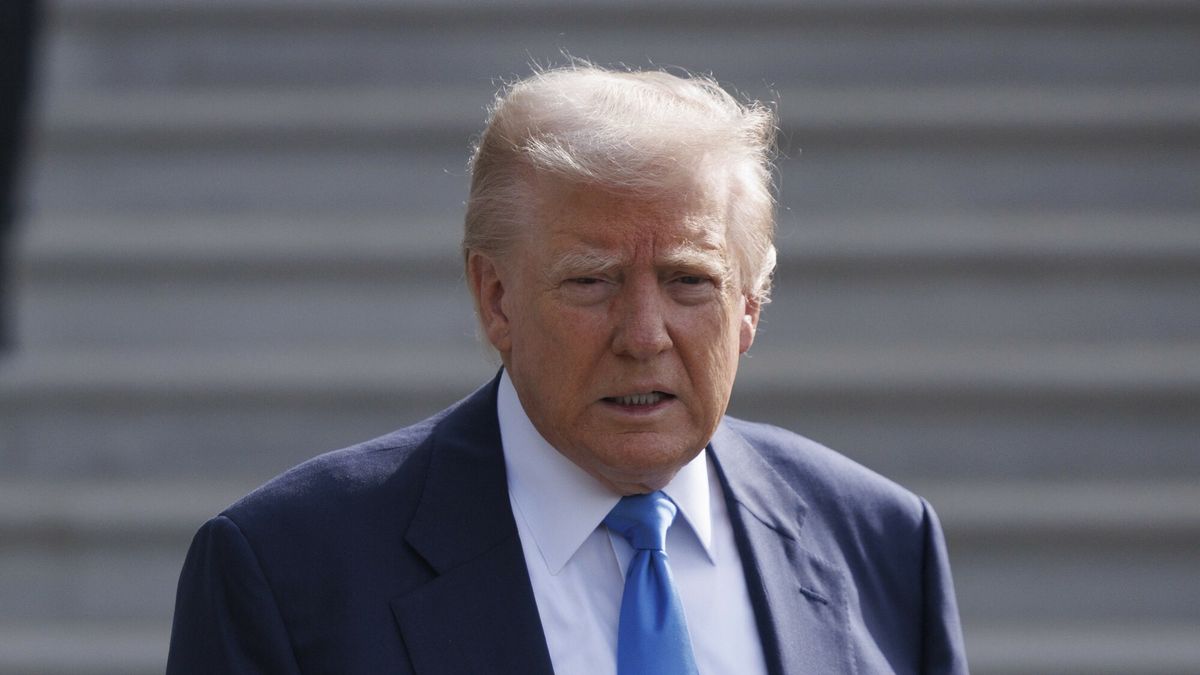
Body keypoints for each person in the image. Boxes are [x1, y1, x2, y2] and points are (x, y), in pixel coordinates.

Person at [167, 65, 968, 674]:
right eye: (592, 280)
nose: (644, 334)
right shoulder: (286, 570)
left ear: (751, 307)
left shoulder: (883, 542)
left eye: (691, 280)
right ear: (496, 299)